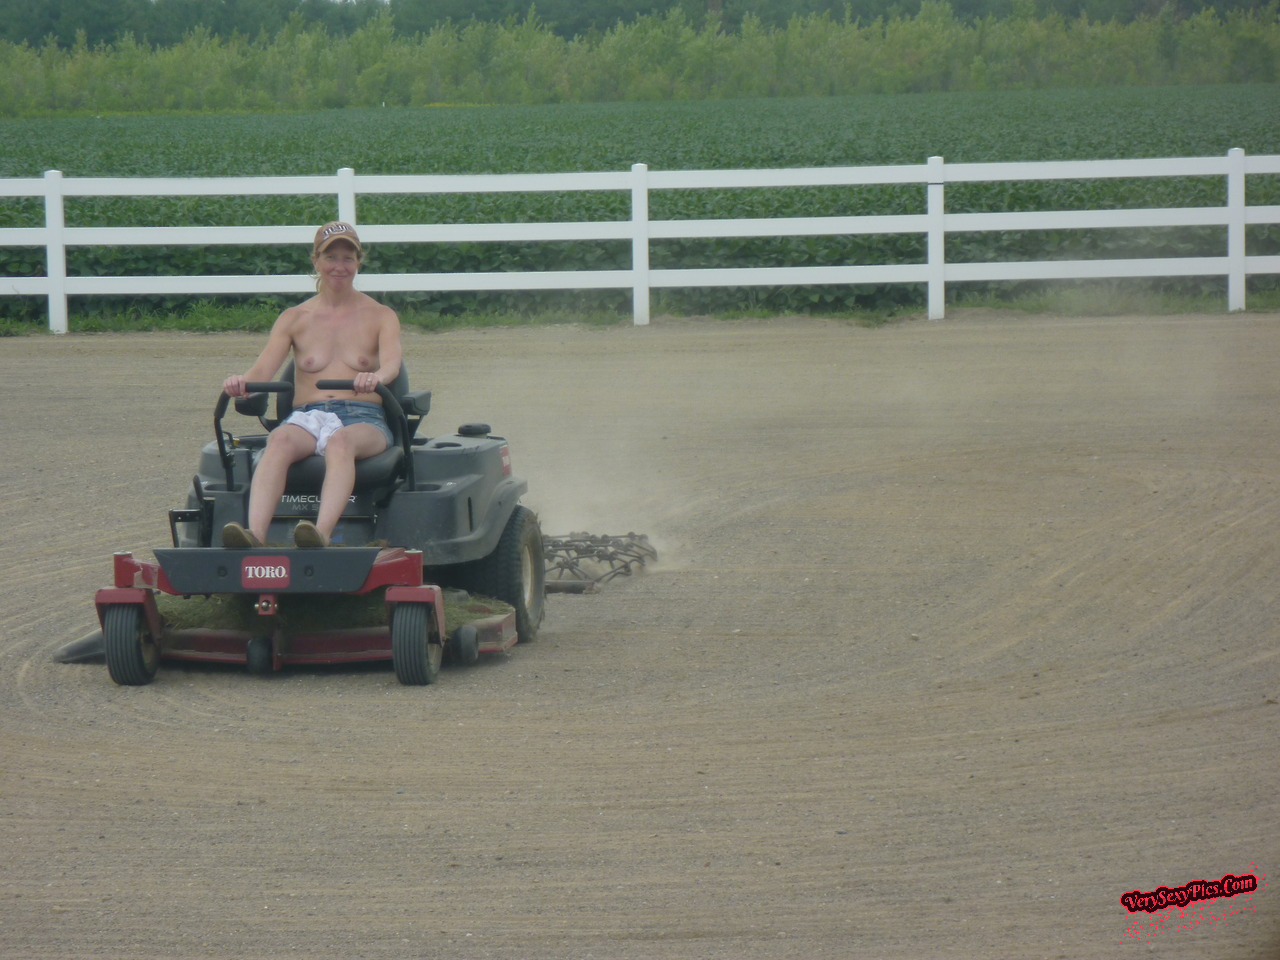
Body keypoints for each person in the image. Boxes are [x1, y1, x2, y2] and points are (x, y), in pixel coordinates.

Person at [221, 221, 402, 549]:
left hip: (363, 418)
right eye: (331, 257)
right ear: (316, 260)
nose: (339, 267)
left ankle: (320, 535)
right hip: (307, 416)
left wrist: (375, 377)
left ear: (358, 263)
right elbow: (263, 369)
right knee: (277, 441)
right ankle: (253, 538)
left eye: (348, 258)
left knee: (340, 442)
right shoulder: (294, 318)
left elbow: (391, 364)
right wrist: (242, 382)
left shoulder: (381, 315)